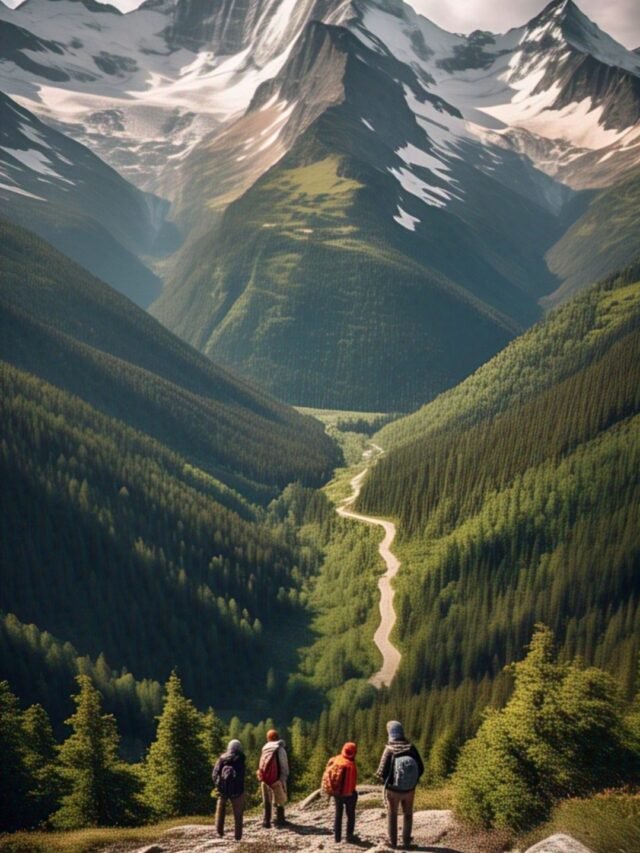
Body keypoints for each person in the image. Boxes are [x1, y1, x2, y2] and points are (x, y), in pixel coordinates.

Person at [376, 720, 424, 849]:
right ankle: (406, 842)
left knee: (392, 814)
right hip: (410, 790)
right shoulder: (411, 748)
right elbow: (421, 768)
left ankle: (393, 843)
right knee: (408, 813)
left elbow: (381, 772)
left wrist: (389, 783)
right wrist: (411, 782)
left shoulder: (389, 749)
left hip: (393, 790)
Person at [322, 741, 359, 844]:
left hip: (337, 793)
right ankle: (349, 836)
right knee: (350, 815)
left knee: (338, 814)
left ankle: (337, 838)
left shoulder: (335, 759)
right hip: (349, 794)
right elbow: (353, 782)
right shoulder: (350, 765)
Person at [212, 738, 246, 841]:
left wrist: (219, 786)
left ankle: (219, 832)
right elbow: (241, 776)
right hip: (237, 791)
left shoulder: (222, 758)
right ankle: (238, 837)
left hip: (223, 790)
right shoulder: (241, 758)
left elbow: (214, 774)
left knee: (220, 810)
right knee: (238, 814)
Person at [257, 728, 290, 828]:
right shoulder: (280, 749)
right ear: (277, 737)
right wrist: (283, 778)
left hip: (265, 778)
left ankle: (266, 821)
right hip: (277, 778)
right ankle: (280, 819)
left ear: (268, 738)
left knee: (267, 800)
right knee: (280, 799)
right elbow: (284, 765)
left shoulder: (265, 748)